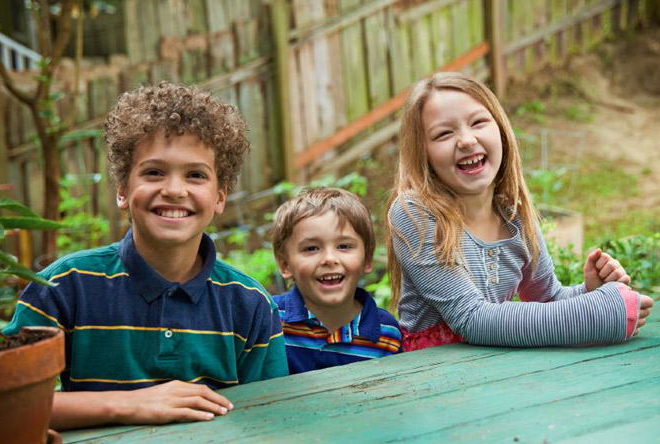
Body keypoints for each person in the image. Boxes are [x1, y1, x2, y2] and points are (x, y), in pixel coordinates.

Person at [4, 82, 288, 429]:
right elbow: (9, 407)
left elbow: (273, 419)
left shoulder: (251, 305)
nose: (173, 190)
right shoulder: (63, 286)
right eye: (154, 172)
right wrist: (127, 404)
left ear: (219, 197)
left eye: (195, 175)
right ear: (123, 190)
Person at [386, 71, 653, 351]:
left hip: (501, 369)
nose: (466, 140)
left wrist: (589, 291)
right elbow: (472, 319)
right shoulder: (414, 214)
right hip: (433, 377)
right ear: (422, 153)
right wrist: (600, 312)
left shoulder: (514, 216)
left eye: (478, 122)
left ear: (501, 130)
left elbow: (547, 301)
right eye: (443, 133)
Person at [271, 187, 402, 374]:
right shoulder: (270, 321)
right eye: (311, 248)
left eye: (344, 246)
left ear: (367, 259)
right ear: (285, 264)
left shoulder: (387, 333)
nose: (329, 259)